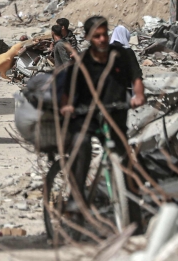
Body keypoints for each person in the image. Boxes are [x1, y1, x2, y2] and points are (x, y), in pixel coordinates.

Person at [59, 16, 146, 230]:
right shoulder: (83, 60)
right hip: (88, 115)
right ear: (89, 38)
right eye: (96, 36)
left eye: (104, 34)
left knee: (125, 162)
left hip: (116, 112)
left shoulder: (123, 54)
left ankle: (133, 218)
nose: (101, 39)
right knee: (83, 149)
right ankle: (76, 202)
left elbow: (136, 77)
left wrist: (138, 95)